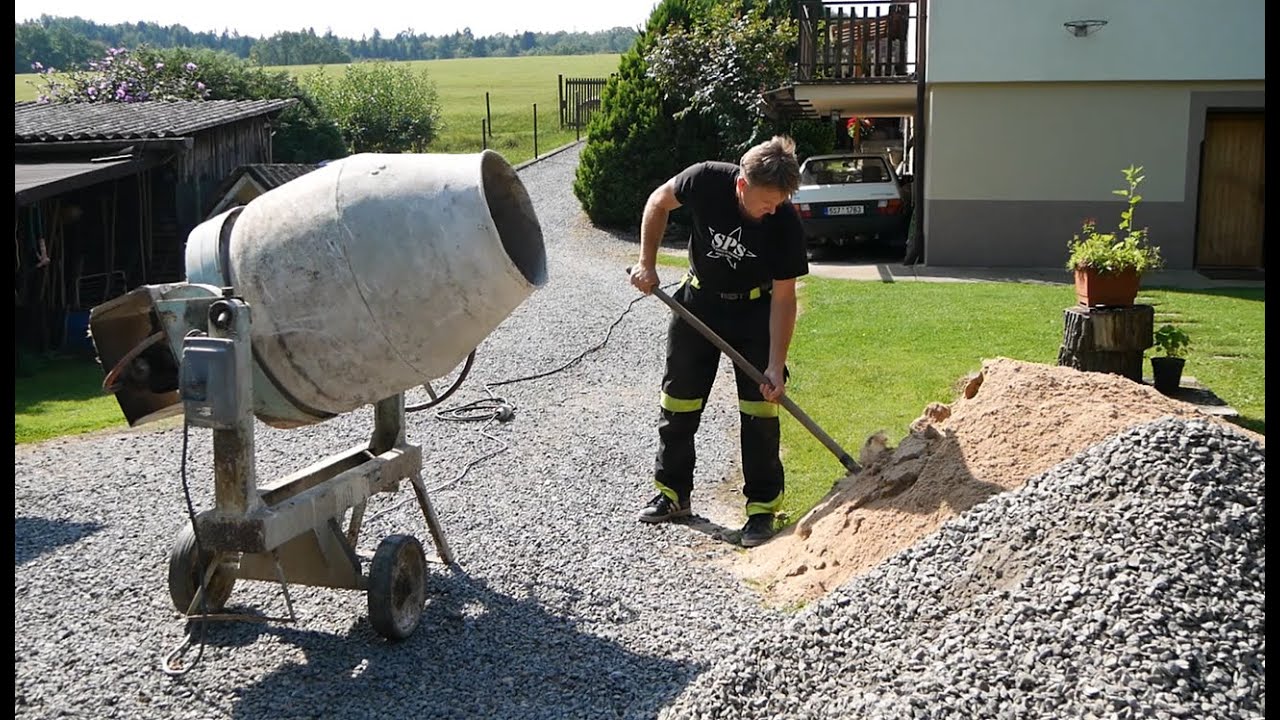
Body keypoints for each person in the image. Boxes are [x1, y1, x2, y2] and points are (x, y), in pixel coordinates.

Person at [629, 135, 808, 548]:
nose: (773, 209)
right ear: (742, 185)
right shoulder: (705, 179)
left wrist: (775, 365)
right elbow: (658, 202)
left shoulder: (784, 223)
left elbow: (784, 299)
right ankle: (673, 494)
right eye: (767, 202)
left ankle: (762, 509)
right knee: (678, 402)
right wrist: (646, 263)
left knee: (761, 409)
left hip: (754, 311)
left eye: (779, 202)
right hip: (698, 304)